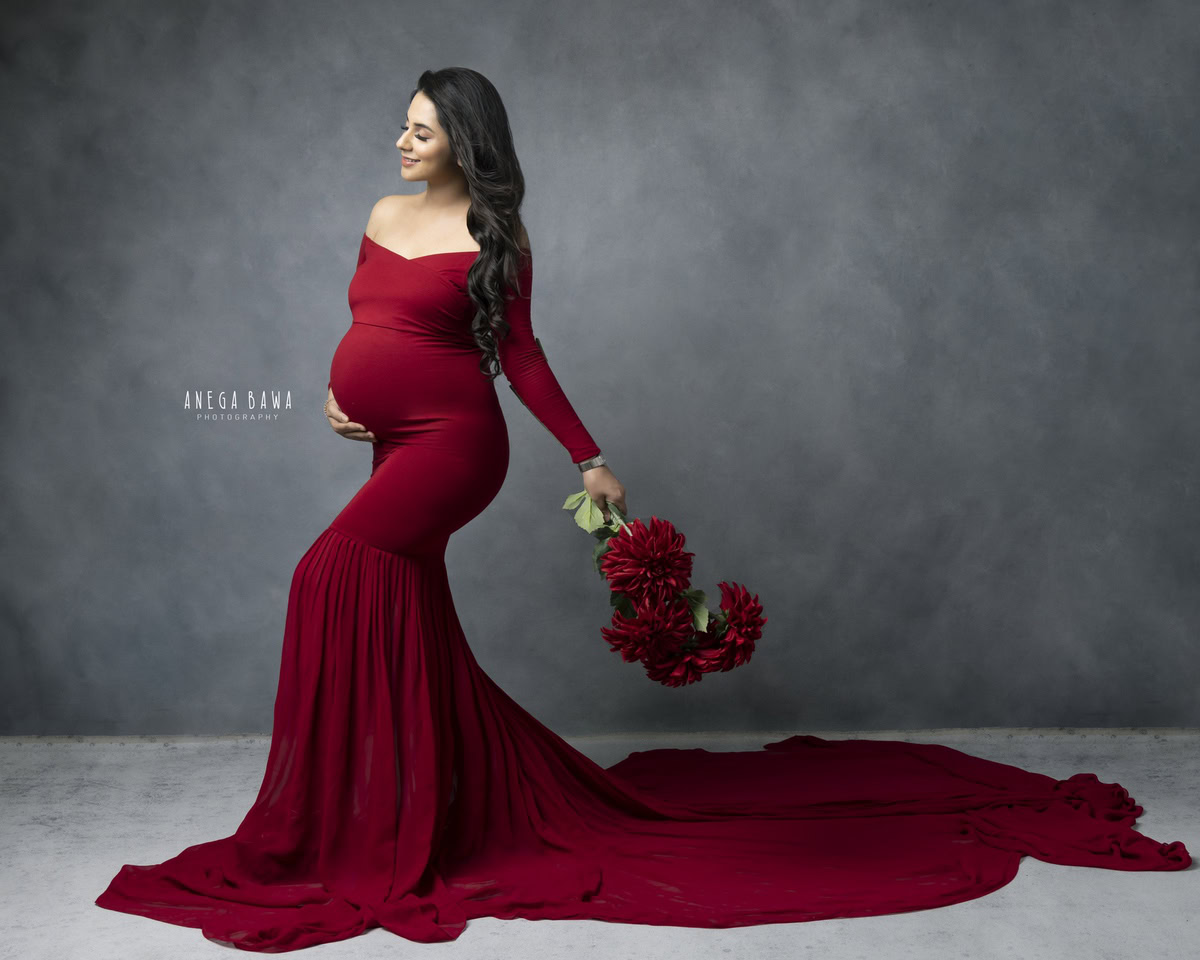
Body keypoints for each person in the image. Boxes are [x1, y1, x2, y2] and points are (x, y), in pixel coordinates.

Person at [95, 67, 1189, 952]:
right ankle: (406, 811)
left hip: (454, 446)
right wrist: (342, 396)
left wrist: (589, 458)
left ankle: (337, 829)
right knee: (410, 621)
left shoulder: (496, 234)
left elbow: (522, 357)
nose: (401, 141)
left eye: (421, 129)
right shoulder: (381, 213)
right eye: (403, 124)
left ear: (465, 141)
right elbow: (371, 319)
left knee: (327, 576)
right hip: (384, 441)